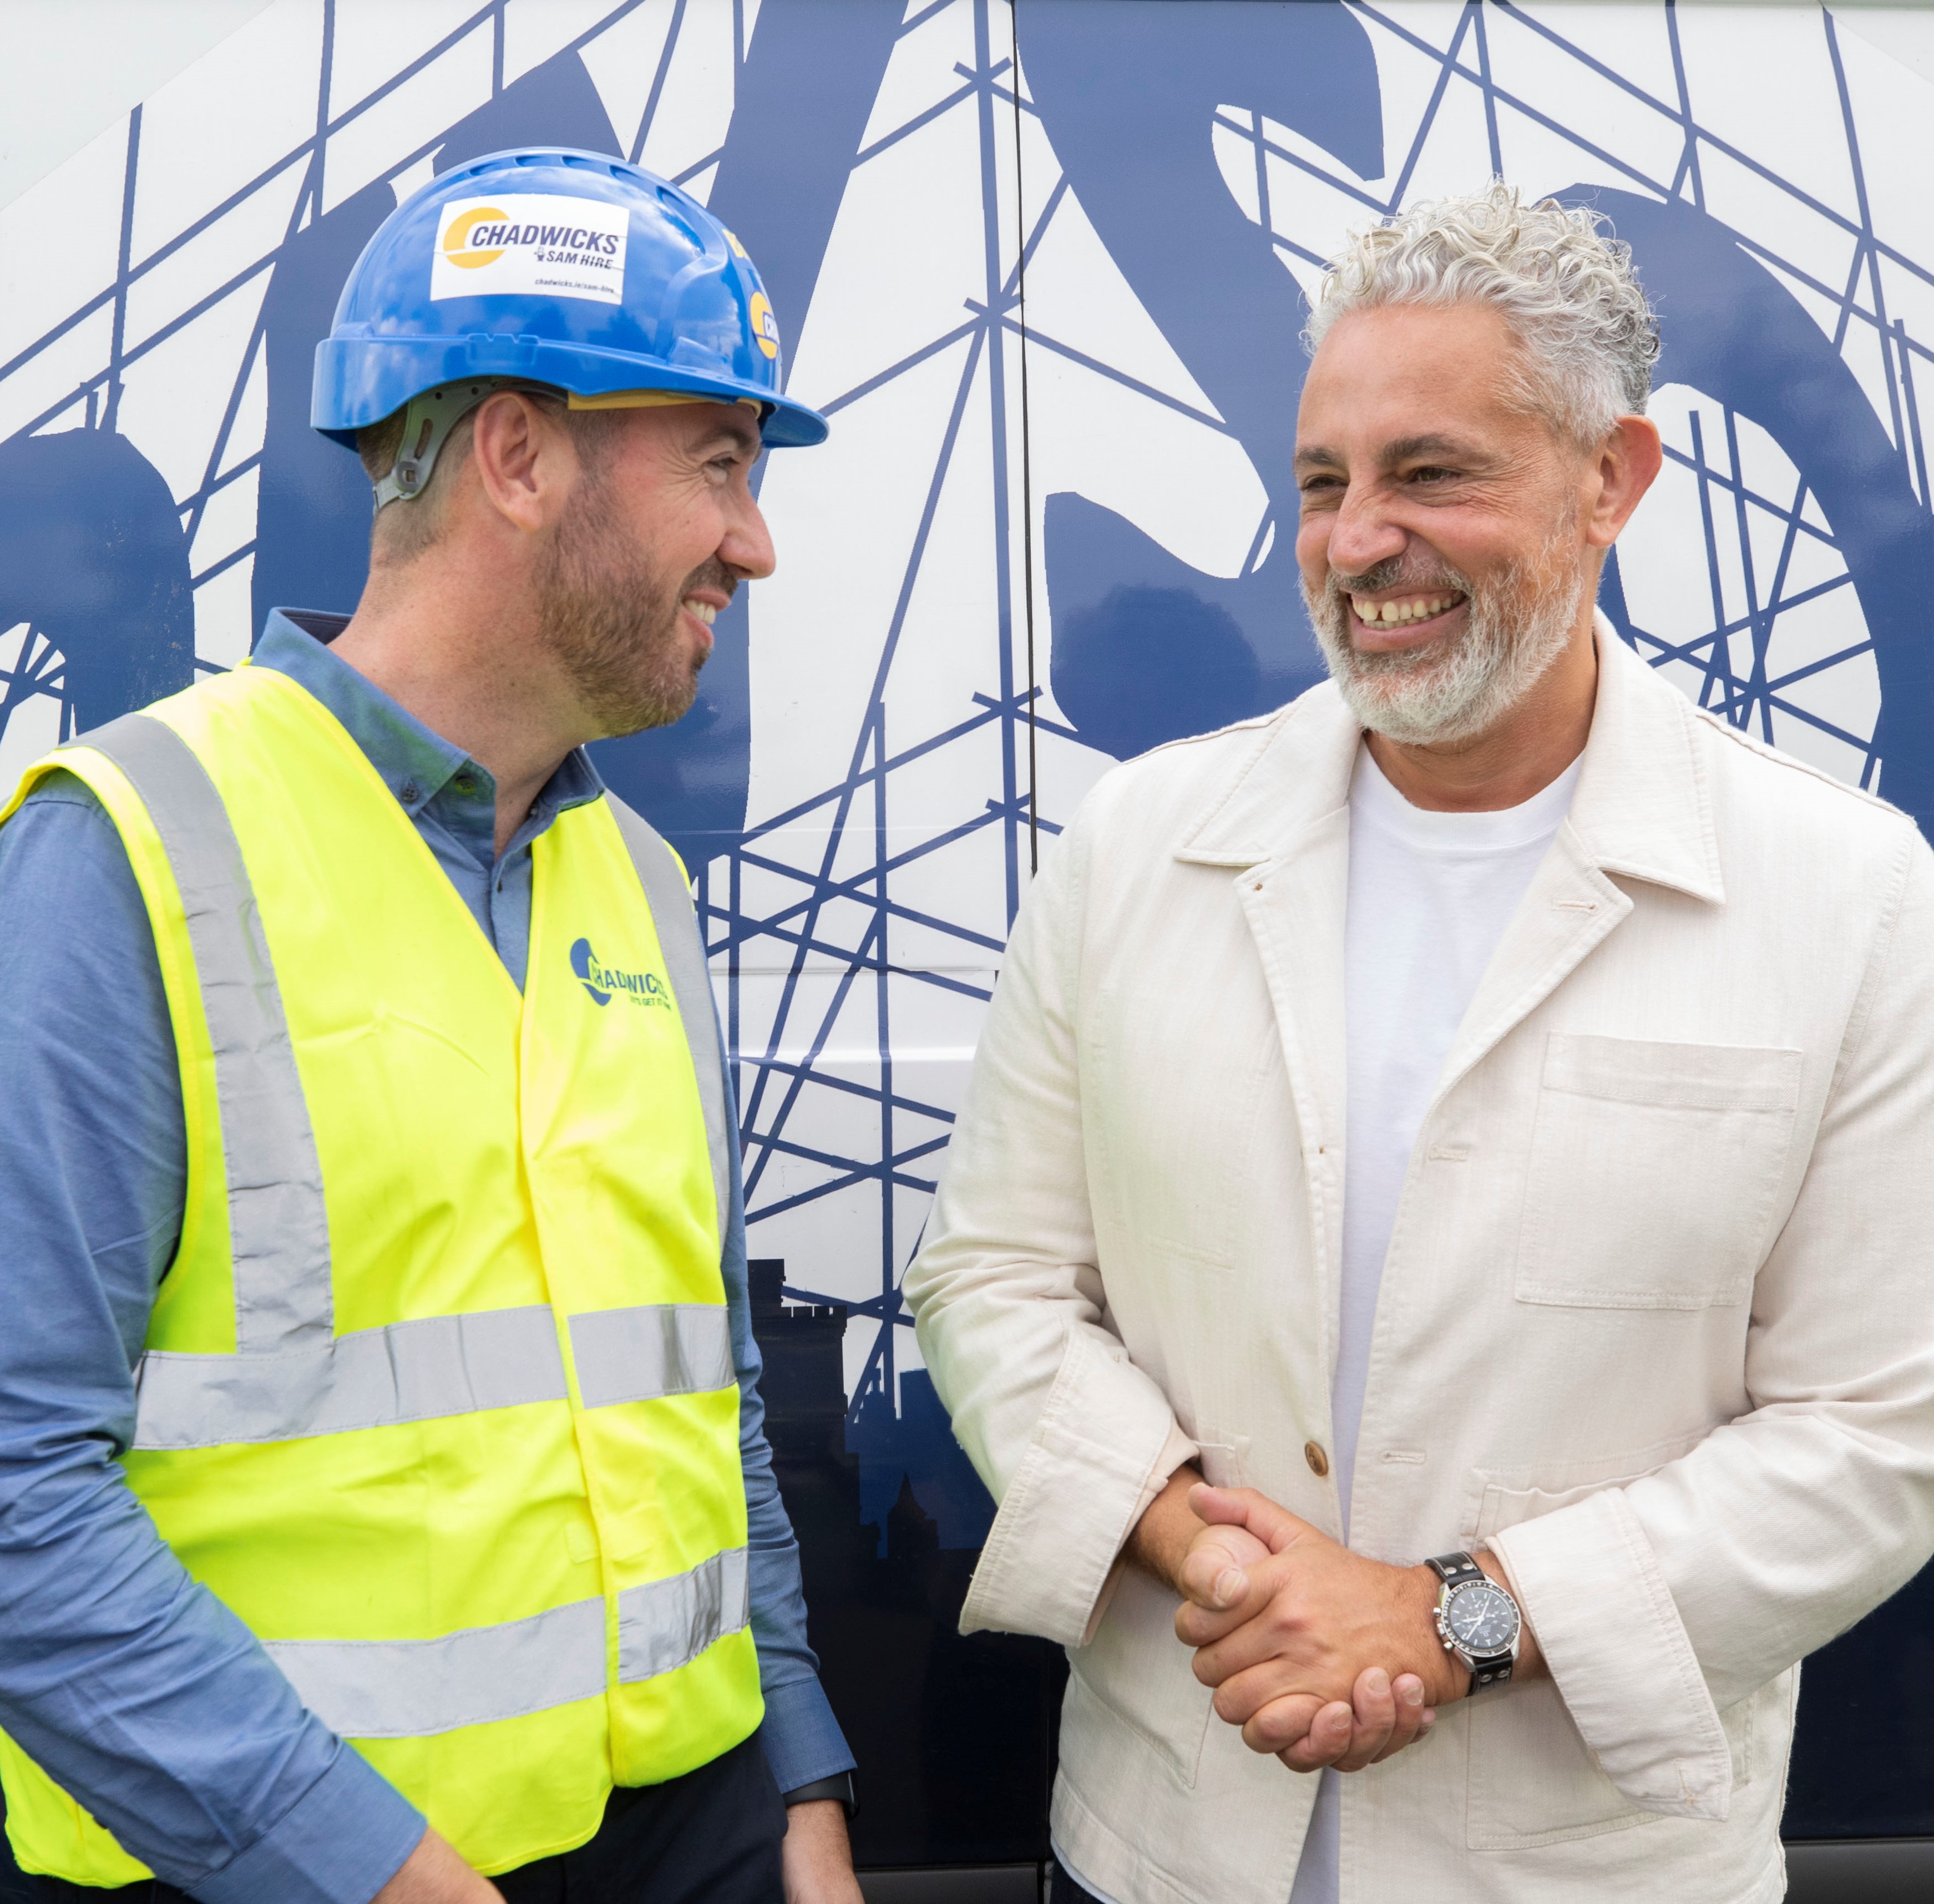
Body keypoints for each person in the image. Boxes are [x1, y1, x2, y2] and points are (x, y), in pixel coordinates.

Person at [905, 181, 1934, 1904]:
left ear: (1613, 480)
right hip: (1158, 1851)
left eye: (1432, 472)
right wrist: (1207, 1555)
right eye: (1324, 483)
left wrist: (1454, 1618)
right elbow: (989, 1277)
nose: (1357, 541)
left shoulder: (1847, 893)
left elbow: (1884, 1430)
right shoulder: (1136, 851)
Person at [0, 150, 863, 1904]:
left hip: (694, 1838)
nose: (756, 541)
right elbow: (17, 1490)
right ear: (519, 457)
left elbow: (709, 1407)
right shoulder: (127, 851)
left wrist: (803, 1796)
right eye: (719, 462)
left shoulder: (640, 882)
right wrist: (382, 1874)